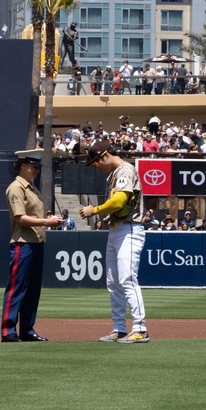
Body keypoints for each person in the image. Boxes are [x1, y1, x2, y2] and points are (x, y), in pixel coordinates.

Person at [80, 140, 150, 343]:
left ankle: (140, 328)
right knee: (113, 282)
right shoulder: (114, 174)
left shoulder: (125, 170)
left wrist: (96, 210)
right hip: (116, 230)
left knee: (127, 279)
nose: (96, 166)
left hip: (128, 229)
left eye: (95, 162)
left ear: (104, 156)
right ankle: (119, 328)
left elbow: (119, 201)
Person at [1, 149, 65, 342]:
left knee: (33, 289)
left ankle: (27, 329)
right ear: (23, 166)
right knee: (17, 288)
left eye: (38, 167)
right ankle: (7, 331)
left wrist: (48, 219)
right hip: (23, 243)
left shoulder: (32, 187)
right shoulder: (16, 187)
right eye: (34, 167)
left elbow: (34, 215)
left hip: (36, 242)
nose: (37, 170)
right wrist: (47, 222)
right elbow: (20, 218)